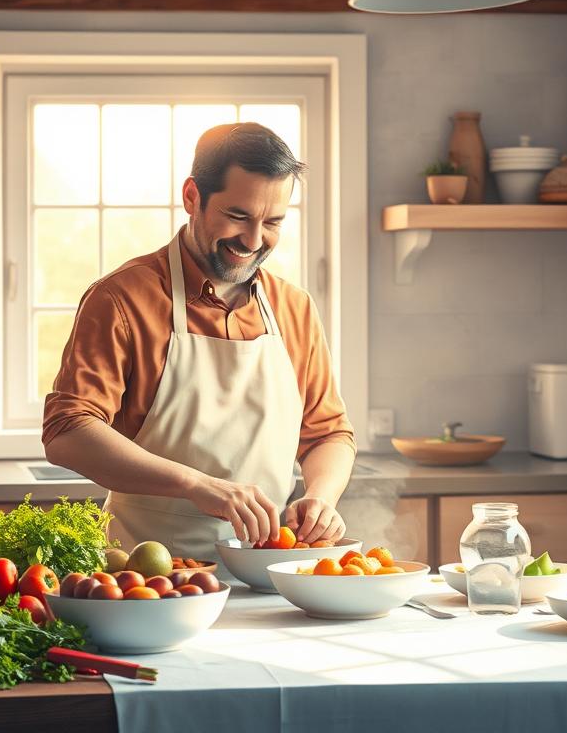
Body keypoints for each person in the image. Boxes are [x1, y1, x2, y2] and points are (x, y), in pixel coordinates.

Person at [42, 122, 356, 560]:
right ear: (192, 196)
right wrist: (195, 484)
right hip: (146, 582)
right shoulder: (120, 299)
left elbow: (328, 434)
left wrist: (321, 498)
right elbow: (67, 431)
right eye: (238, 216)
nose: (253, 240)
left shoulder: (294, 308)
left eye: (273, 223)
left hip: (269, 573)